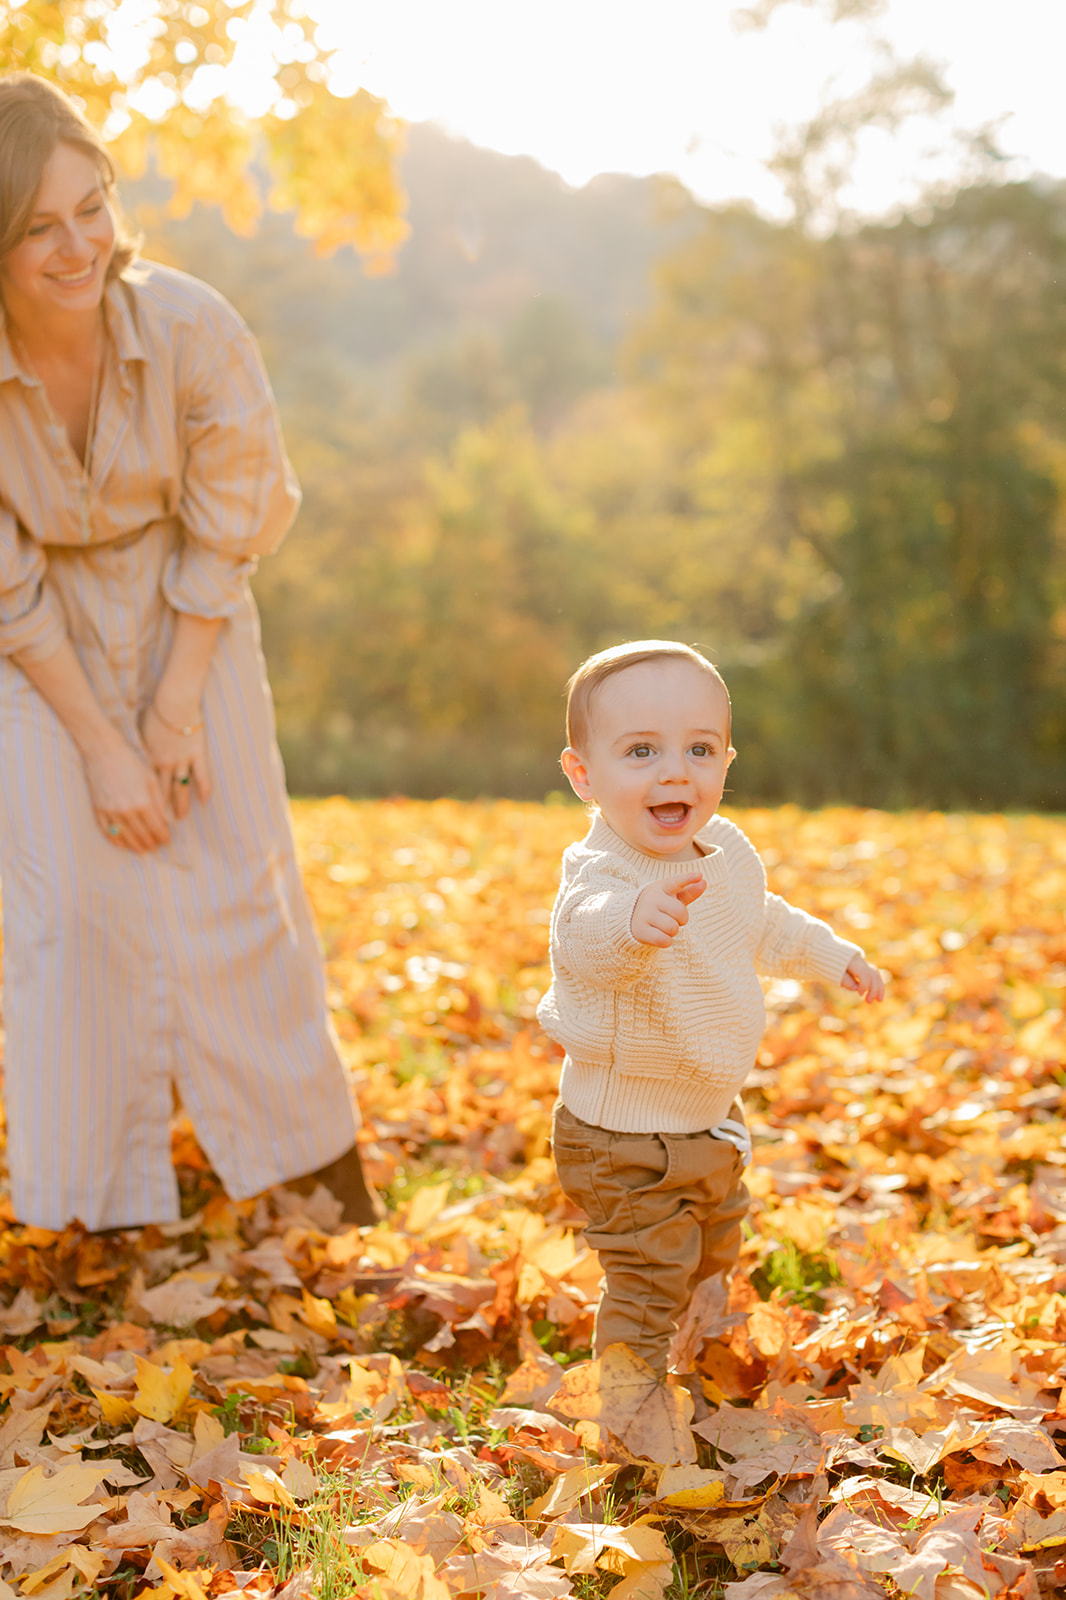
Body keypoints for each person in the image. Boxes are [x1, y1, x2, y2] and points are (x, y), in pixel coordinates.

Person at [0, 73, 379, 1232]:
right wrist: (104, 749)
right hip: (34, 630)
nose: (78, 247)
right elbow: (10, 595)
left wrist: (166, 719)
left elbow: (232, 522)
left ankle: (301, 1172)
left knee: (233, 873)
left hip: (188, 597)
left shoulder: (191, 322)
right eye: (36, 228)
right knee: (67, 900)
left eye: (92, 207)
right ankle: (94, 1210)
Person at [538, 640, 885, 1377]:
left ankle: (697, 1357)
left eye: (699, 748)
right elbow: (584, 939)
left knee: (714, 1247)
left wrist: (833, 956)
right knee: (648, 1277)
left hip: (710, 1117)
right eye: (640, 751)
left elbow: (762, 920)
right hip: (620, 1138)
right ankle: (629, 1409)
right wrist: (633, 919)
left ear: (726, 762)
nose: (674, 770)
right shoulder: (601, 875)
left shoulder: (722, 851)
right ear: (583, 775)